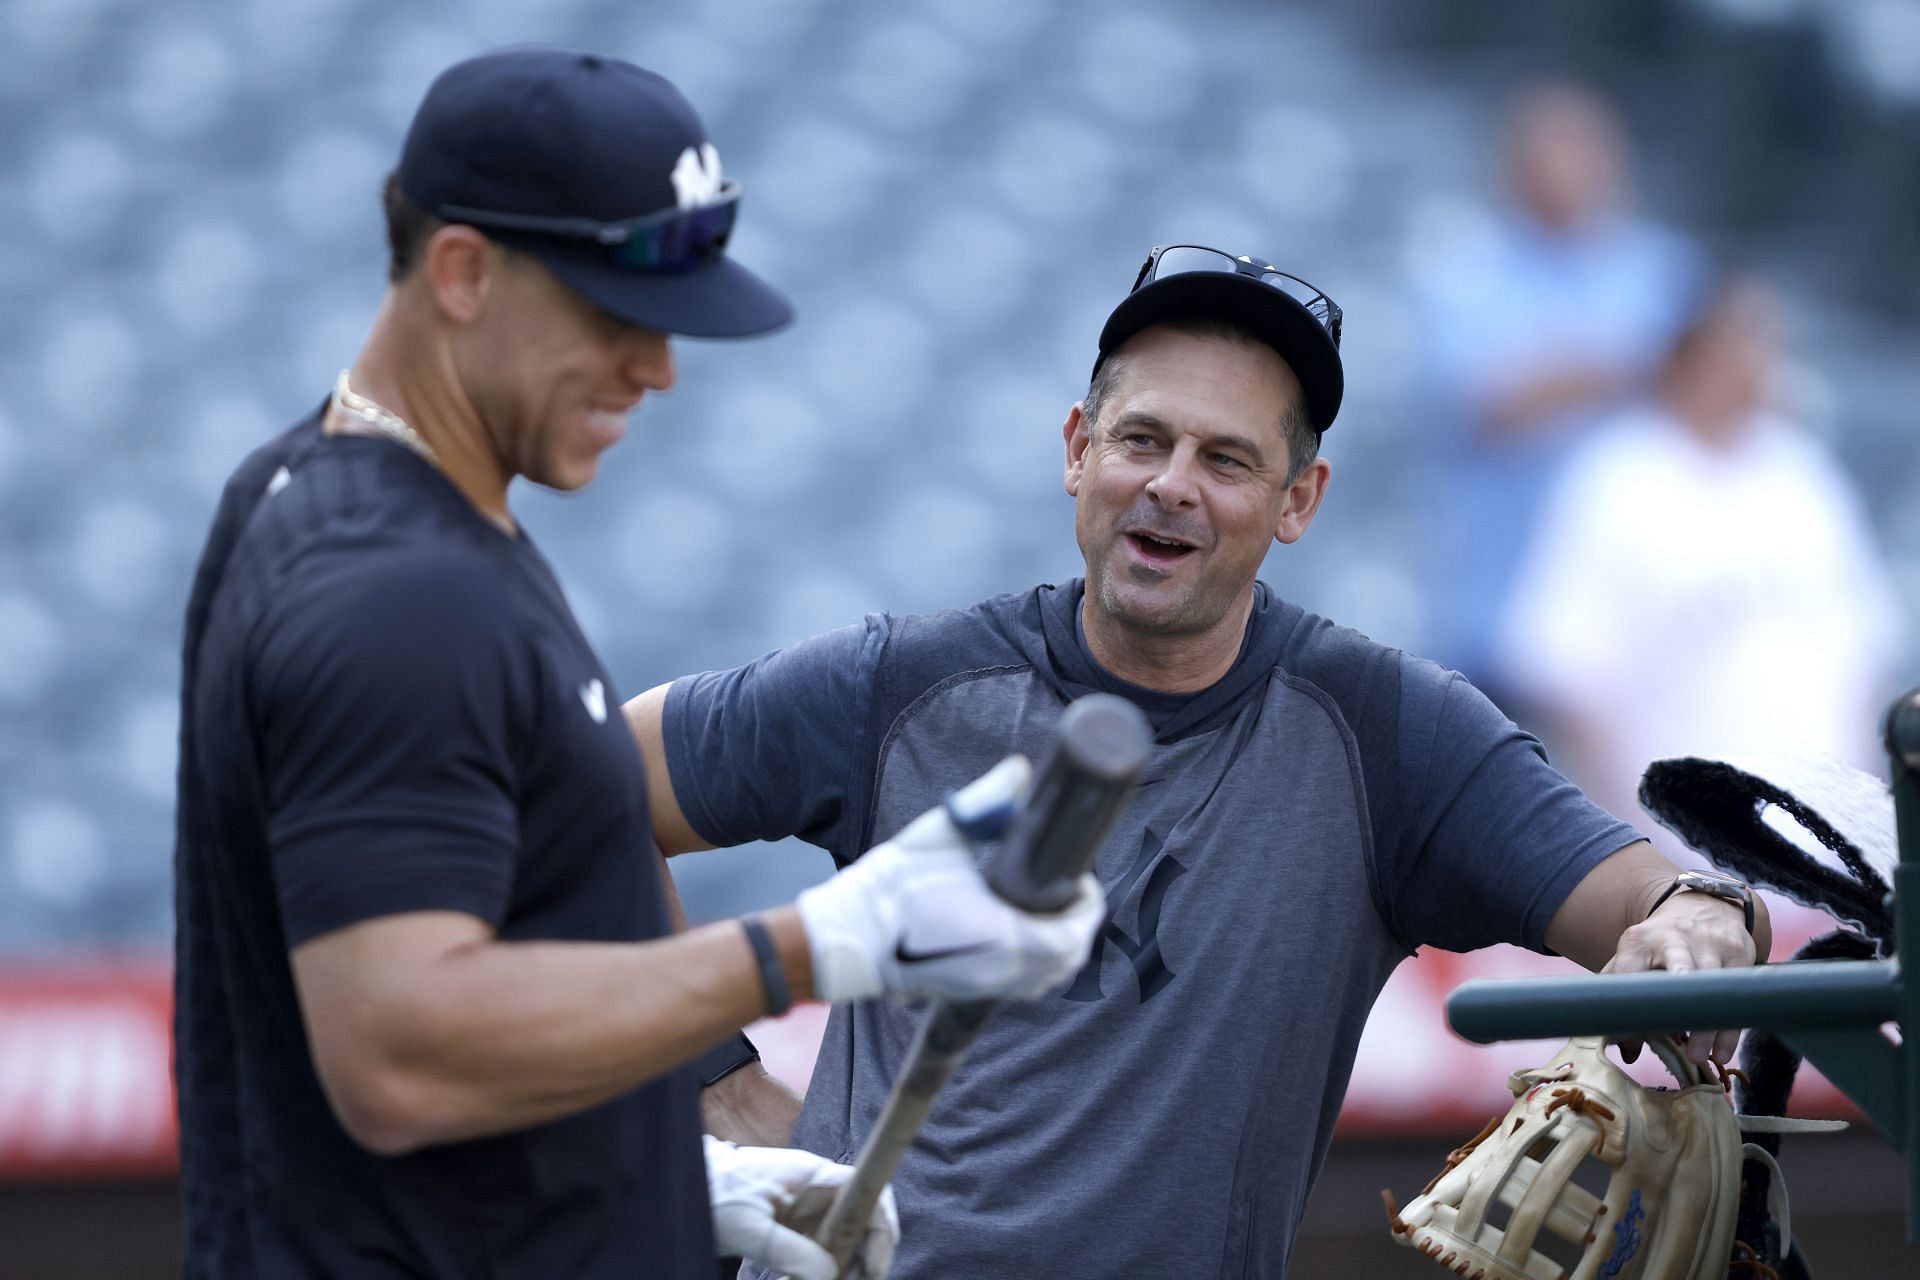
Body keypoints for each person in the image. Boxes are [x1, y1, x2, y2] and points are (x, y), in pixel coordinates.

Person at [625, 244, 1775, 1278]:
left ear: (1298, 502)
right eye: (1142, 438)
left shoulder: (1391, 735)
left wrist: (1704, 915)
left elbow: (1648, 895)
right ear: (1078, 452)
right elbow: (575, 786)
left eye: (1227, 458)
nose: (1172, 481)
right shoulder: (896, 686)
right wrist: (714, 1076)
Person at [171, 47, 1104, 1280]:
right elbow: (400, 1053)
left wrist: (665, 1167)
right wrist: (812, 942)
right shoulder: (397, 589)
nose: (658, 369)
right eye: (617, 315)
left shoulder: (335, 496)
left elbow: (459, 985)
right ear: (462, 270)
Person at [1494, 273, 1903, 840]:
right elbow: (1563, 676)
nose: (1765, 362)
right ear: (1691, 355)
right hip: (1684, 865)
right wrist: (1633, 839)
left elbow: (1866, 651)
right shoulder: (1617, 478)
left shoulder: (1802, 472)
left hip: (1825, 865)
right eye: (1746, 342)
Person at [1415, 82, 1703, 699]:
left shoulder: (1665, 268)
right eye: (1547, 155)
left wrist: (1583, 373)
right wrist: (1636, 363)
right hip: (1501, 610)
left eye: (1584, 153)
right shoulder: (1467, 271)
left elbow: (1712, 402)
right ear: (1509, 168)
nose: (1567, 173)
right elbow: (1492, 402)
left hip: (1641, 621)